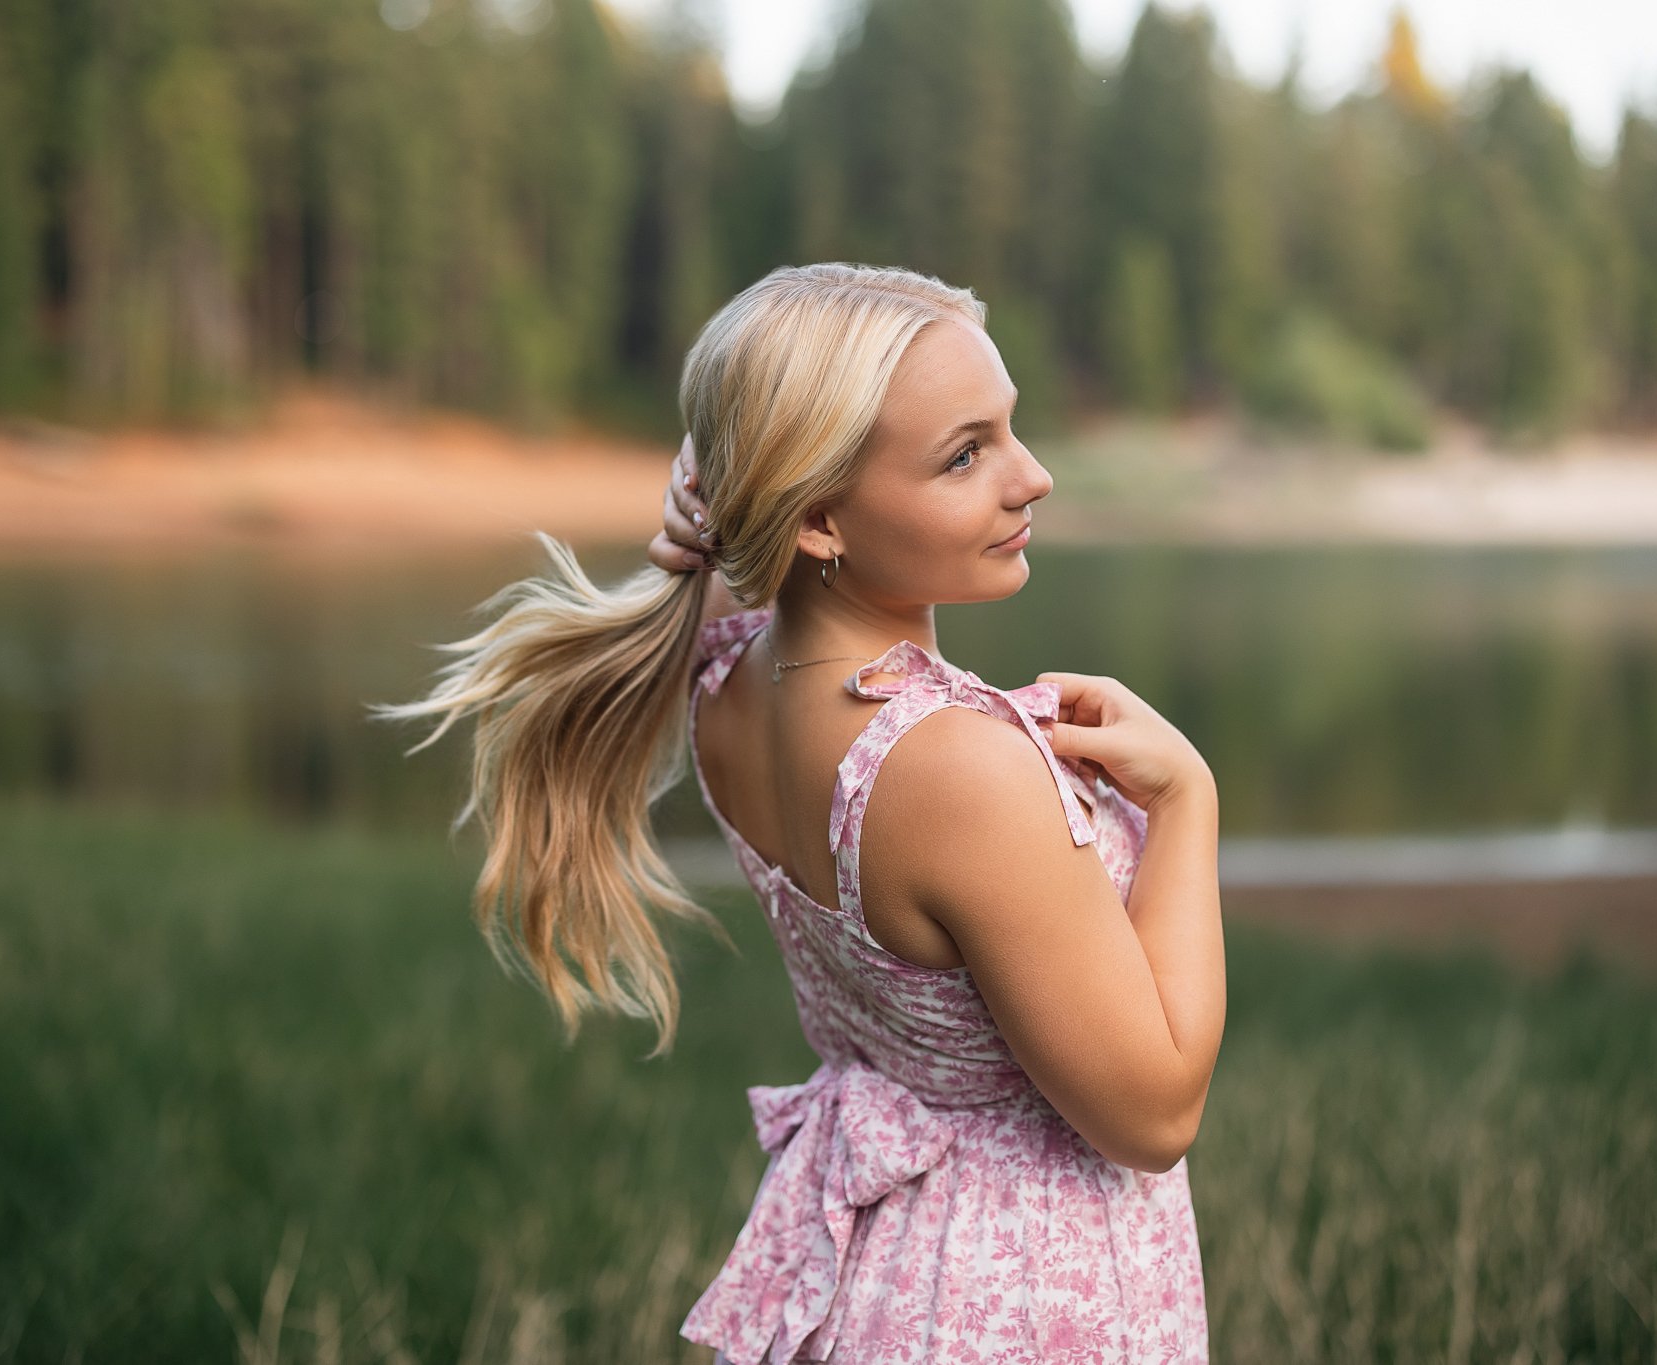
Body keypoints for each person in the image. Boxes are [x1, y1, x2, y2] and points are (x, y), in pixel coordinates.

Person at [379, 262, 1225, 1362]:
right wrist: (1186, 799)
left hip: (876, 1282)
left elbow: (742, 547)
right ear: (821, 517)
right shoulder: (956, 774)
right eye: (964, 455)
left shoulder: (729, 685)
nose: (1033, 477)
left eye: (1009, 430)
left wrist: (719, 504)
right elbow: (1152, 1116)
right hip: (1023, 1304)